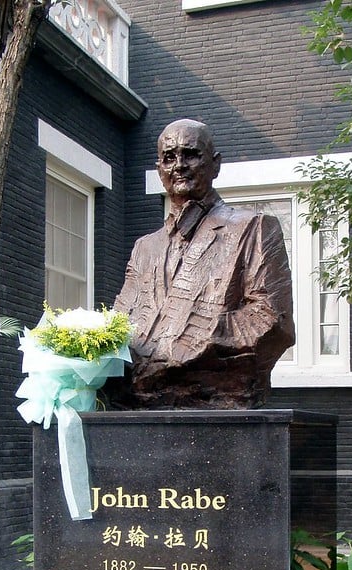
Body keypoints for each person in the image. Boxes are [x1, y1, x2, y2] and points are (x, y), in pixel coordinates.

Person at [112, 118, 295, 408]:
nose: (179, 165)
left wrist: (184, 343)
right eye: (169, 157)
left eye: (191, 154)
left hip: (218, 398)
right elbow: (121, 321)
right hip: (138, 403)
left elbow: (271, 320)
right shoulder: (144, 248)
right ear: (159, 169)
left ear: (215, 164)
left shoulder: (253, 228)